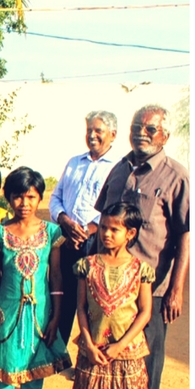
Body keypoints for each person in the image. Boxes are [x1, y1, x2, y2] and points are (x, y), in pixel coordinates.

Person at [95, 103, 190, 389]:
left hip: (151, 289)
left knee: (146, 360)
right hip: (108, 287)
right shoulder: (119, 169)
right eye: (137, 127)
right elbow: (103, 222)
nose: (142, 134)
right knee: (106, 354)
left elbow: (185, 236)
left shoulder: (176, 176)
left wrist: (176, 290)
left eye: (150, 129)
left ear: (165, 135)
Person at [54, 202, 156, 389]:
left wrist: (121, 345)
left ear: (130, 233)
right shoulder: (87, 266)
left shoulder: (140, 269)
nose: (107, 234)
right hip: (94, 348)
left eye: (115, 229)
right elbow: (82, 308)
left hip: (128, 351)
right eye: (104, 228)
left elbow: (145, 312)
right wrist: (87, 342)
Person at [0, 167, 70, 389]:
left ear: (39, 197)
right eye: (18, 197)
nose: (24, 203)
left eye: (31, 196)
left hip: (40, 314)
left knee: (34, 375)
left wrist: (56, 315)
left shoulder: (51, 232)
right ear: (8, 198)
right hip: (7, 315)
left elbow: (55, 275)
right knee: (5, 376)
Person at [51, 111, 121, 346]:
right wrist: (64, 221)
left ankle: (88, 353)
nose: (92, 135)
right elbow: (55, 197)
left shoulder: (118, 168)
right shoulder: (74, 163)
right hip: (65, 239)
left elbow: (116, 207)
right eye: (89, 130)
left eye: (98, 131)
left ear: (112, 135)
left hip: (96, 242)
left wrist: (89, 229)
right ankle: (58, 354)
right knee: (63, 295)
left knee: (91, 299)